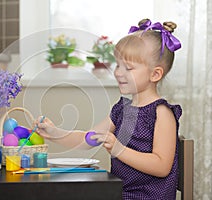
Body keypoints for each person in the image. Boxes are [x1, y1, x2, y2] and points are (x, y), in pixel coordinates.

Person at [35, 18, 182, 199]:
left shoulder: (161, 113)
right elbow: (87, 139)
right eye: (118, 65)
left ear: (155, 74)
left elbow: (161, 166)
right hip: (119, 194)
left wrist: (119, 149)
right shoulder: (122, 110)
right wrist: (55, 132)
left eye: (128, 67)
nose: (119, 72)